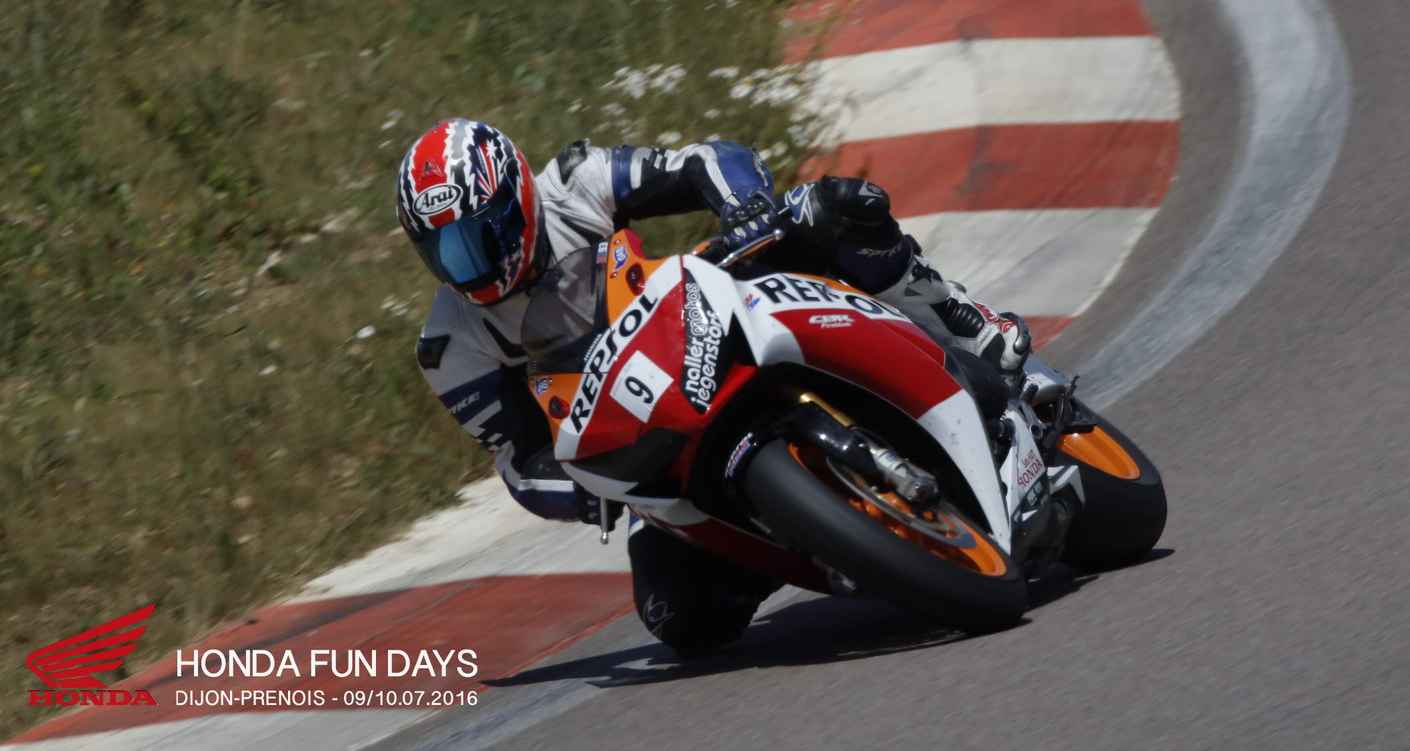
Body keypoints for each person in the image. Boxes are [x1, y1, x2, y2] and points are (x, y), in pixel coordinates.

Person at [396, 117, 1061, 655]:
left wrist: (744, 207)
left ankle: (967, 326)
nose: (468, 265)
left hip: (706, 318)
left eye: (479, 238)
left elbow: (706, 160)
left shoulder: (576, 181)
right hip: (648, 437)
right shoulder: (449, 345)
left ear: (516, 198)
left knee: (834, 207)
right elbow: (519, 461)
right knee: (679, 617)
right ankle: (820, 538)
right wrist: (582, 488)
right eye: (445, 250)